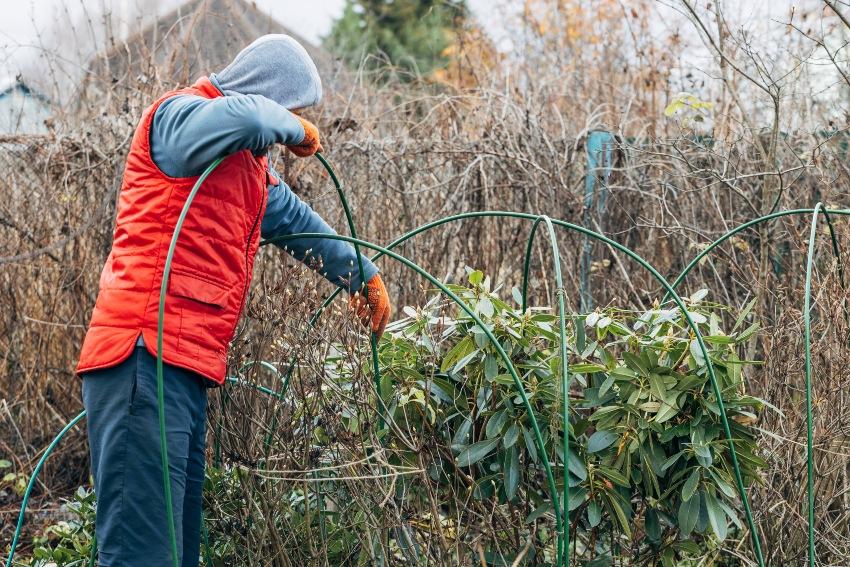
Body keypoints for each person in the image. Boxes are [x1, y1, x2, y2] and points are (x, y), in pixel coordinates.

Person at [75, 34, 391, 566]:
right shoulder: (177, 119)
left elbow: (296, 223)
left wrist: (362, 276)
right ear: (268, 92)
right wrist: (293, 127)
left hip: (181, 368)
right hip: (140, 357)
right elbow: (249, 118)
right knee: (141, 554)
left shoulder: (248, 170)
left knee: (177, 550)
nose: (285, 127)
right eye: (289, 108)